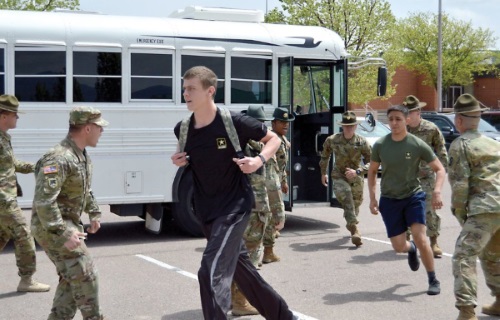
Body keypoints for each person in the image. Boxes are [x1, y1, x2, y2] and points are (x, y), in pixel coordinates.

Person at [171, 66, 297, 320]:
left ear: (210, 91)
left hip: (234, 208)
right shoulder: (183, 128)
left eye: (191, 88)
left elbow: (274, 139)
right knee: (243, 272)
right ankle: (284, 316)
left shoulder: (234, 122)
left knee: (210, 271)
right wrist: (178, 159)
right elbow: (181, 154)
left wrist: (258, 161)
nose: (185, 93)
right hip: (206, 212)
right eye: (184, 88)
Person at [31, 106, 108, 320]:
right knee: (85, 274)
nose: (102, 131)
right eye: (99, 127)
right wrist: (63, 233)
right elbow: (44, 201)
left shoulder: (81, 155)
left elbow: (84, 189)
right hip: (50, 227)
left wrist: (94, 212)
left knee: (72, 277)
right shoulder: (59, 158)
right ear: (86, 128)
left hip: (66, 224)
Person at [367, 105, 445, 295]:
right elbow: (371, 171)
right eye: (391, 119)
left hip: (413, 196)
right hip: (389, 199)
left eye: (398, 119)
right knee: (399, 246)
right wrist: (372, 198)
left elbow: (440, 169)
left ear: (406, 120)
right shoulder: (380, 145)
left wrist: (436, 191)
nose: (394, 123)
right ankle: (411, 250)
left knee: (421, 237)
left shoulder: (417, 144)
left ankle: (433, 279)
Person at [447, 94, 500, 320]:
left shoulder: (461, 145)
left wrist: (460, 213)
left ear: (459, 120)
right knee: (492, 255)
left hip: (484, 209)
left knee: (463, 255)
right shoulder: (493, 143)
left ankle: (466, 311)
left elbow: (460, 185)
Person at [0, 94, 50, 293]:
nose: (17, 118)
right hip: (3, 199)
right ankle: (27, 279)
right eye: (15, 115)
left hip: (5, 197)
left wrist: (38, 167)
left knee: (2, 235)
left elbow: (10, 165)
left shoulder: (3, 138)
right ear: (4, 115)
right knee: (24, 234)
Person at [231, 105, 272, 316]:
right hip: (251, 208)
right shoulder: (247, 147)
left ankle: (234, 298)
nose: (261, 127)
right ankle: (240, 301)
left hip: (250, 206)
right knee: (250, 254)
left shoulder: (247, 145)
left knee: (240, 254)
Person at [404, 95, 449, 257]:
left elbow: (441, 153)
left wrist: (441, 173)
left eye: (409, 112)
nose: (406, 116)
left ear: (418, 112)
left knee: (430, 210)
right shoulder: (402, 131)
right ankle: (408, 238)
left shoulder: (431, 129)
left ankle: (434, 241)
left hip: (427, 177)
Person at [319, 111, 371, 247]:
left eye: (351, 126)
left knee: (355, 204)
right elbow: (325, 156)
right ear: (342, 126)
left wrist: (358, 171)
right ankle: (355, 230)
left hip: (356, 176)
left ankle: (351, 222)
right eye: (346, 126)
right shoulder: (333, 140)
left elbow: (373, 162)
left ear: (355, 126)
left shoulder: (362, 142)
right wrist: (323, 173)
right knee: (346, 196)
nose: (349, 128)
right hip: (339, 175)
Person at [263, 107, 294, 263]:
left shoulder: (280, 139)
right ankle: (262, 253)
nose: (286, 125)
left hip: (274, 182)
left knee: (270, 218)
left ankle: (267, 252)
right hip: (268, 184)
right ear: (273, 123)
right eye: (282, 122)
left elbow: (281, 165)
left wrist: (284, 181)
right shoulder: (269, 138)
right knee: (273, 217)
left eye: (287, 122)